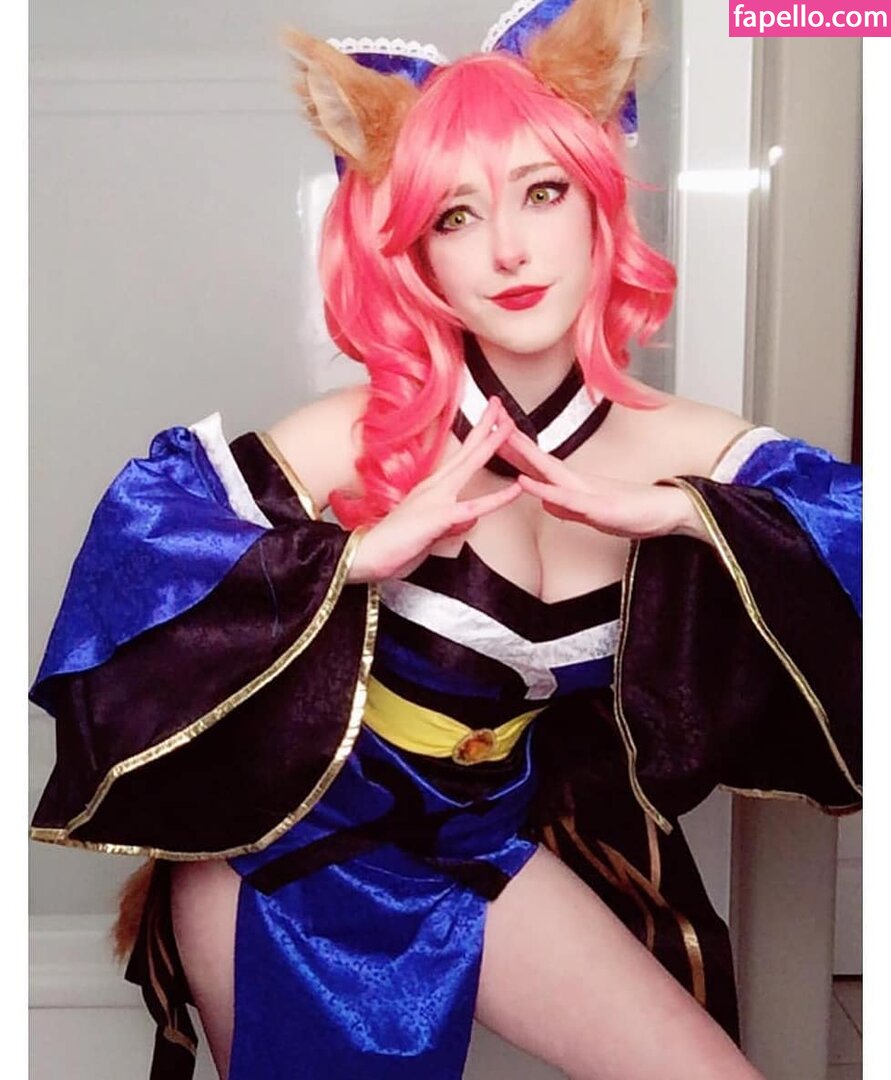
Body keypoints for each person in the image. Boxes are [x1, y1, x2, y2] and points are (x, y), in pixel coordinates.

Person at [29, 2, 861, 1078]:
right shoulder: (351, 435)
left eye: (542, 192)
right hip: (284, 860)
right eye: (455, 215)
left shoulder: (686, 447)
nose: (507, 249)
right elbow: (130, 577)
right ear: (414, 249)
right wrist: (346, 563)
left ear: (599, 199)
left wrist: (695, 517)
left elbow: (855, 543)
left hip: (478, 845)